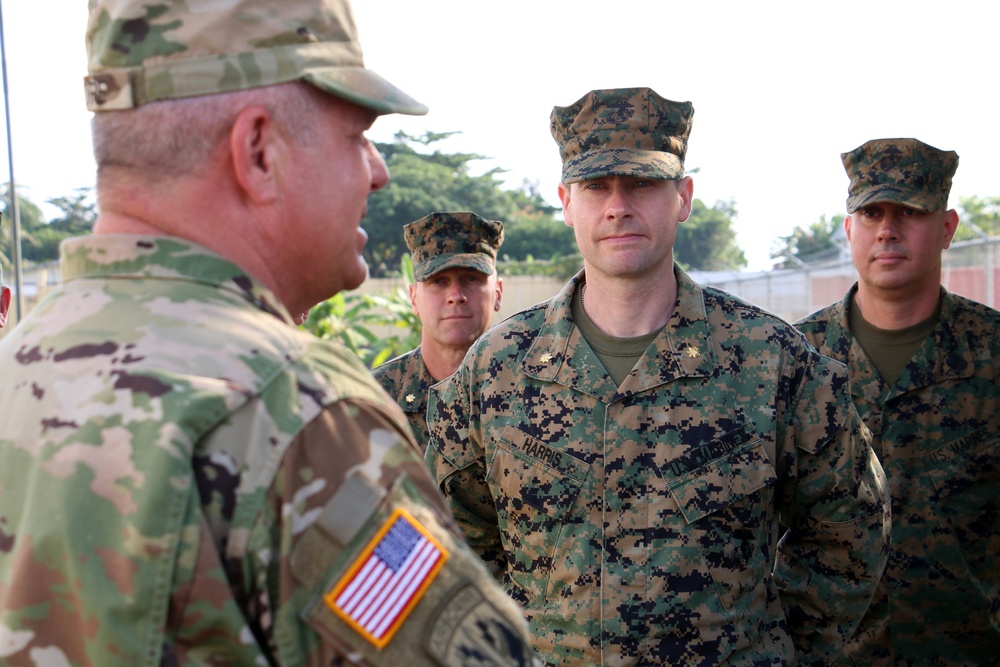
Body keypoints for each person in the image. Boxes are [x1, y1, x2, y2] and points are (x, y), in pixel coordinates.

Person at [0, 1, 537, 665]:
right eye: (355, 135)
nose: (377, 169)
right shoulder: (290, 412)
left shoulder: (20, 362)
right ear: (258, 151)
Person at [423, 87, 891, 666]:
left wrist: (774, 652)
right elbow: (455, 539)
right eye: (596, 187)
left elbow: (850, 529)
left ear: (684, 198)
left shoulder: (772, 362)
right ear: (567, 202)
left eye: (642, 183)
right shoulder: (496, 371)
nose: (618, 206)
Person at [796, 138, 1000, 665]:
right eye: (871, 213)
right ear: (849, 230)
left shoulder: (992, 352)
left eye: (909, 212)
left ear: (948, 228)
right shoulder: (791, 361)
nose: (887, 229)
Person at [373, 211, 504, 446]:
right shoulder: (376, 399)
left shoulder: (533, 392)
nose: (456, 296)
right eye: (438, 281)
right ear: (413, 298)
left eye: (471, 279)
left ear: (498, 293)